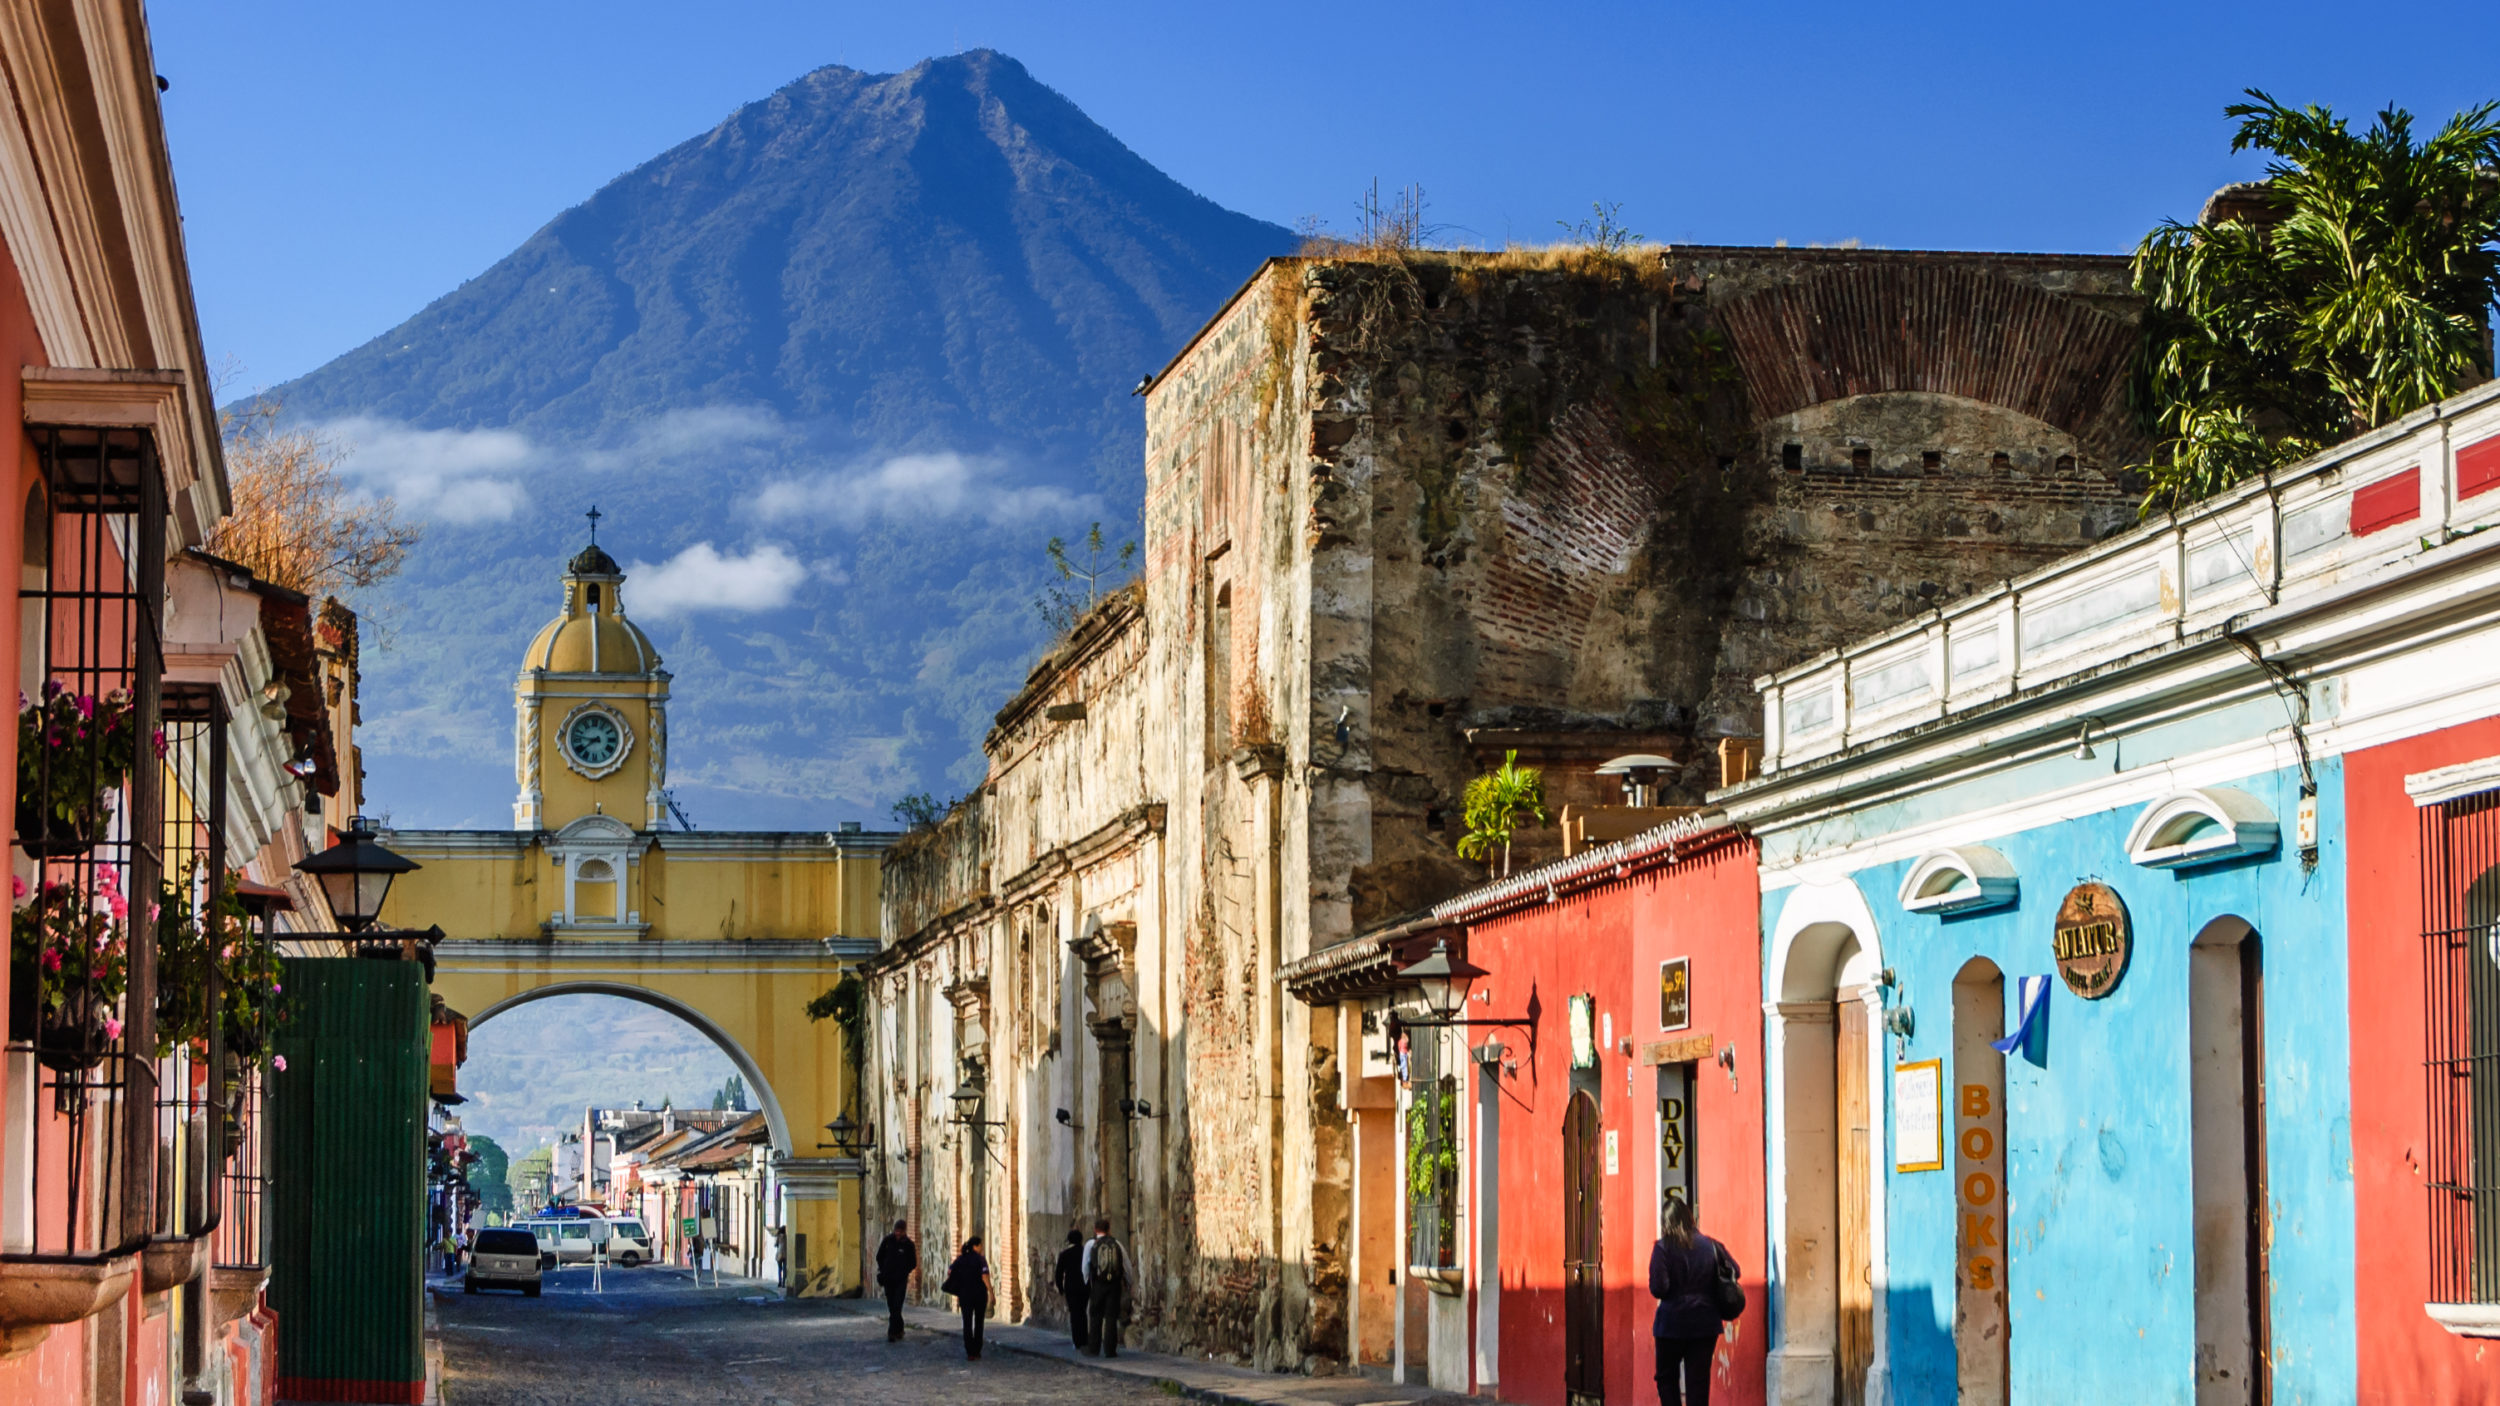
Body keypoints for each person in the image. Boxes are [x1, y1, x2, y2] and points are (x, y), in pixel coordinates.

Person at [1649, 1196, 1737, 1406]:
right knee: (1698, 1382)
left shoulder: (1662, 1248)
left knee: (1666, 1378)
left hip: (1671, 1325)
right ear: (1690, 1218)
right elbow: (1735, 1271)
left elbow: (1659, 1288)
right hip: (1705, 1324)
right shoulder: (1711, 1245)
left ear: (1666, 1222)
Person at [1081, 1217, 1130, 1357]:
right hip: (1114, 1285)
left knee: (1095, 1315)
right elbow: (1126, 1265)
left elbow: (1085, 1265)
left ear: (1095, 1230)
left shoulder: (1091, 1244)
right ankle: (1110, 1349)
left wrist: (1087, 1282)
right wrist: (1129, 1282)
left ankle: (1094, 1348)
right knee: (1111, 1317)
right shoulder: (1117, 1244)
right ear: (1109, 1230)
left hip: (1098, 1284)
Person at [941, 1235, 993, 1360]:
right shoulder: (981, 1260)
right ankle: (977, 1350)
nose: (981, 1248)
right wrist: (991, 1292)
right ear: (976, 1246)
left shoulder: (960, 1259)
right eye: (980, 1245)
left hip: (965, 1295)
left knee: (967, 1323)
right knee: (979, 1323)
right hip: (979, 1295)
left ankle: (970, 1351)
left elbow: (950, 1271)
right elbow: (984, 1276)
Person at [874, 1219, 918, 1342]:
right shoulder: (888, 1241)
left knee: (897, 1304)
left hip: (900, 1280)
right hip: (888, 1279)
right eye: (896, 1230)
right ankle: (899, 1328)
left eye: (900, 1231)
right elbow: (879, 1256)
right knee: (891, 1305)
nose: (898, 1233)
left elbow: (913, 1263)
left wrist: (904, 1271)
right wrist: (884, 1269)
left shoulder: (908, 1244)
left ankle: (892, 1332)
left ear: (904, 1231)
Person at [1053, 1227, 1094, 1352]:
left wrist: (1060, 1288)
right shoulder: (1085, 1252)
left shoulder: (1064, 1254)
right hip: (1084, 1286)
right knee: (1083, 1312)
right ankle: (1084, 1339)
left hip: (1071, 1288)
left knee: (1074, 1314)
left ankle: (1077, 1341)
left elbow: (1058, 1273)